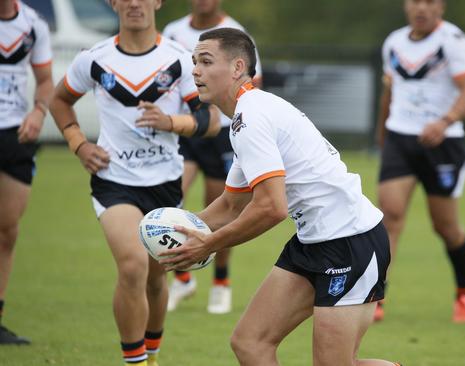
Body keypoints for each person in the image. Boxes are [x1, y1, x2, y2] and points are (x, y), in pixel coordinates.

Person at [160, 28, 400, 366]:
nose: (195, 70)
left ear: (237, 67)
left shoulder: (251, 117)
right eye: (194, 62)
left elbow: (272, 208)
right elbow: (231, 204)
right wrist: (179, 230)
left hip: (351, 241)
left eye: (205, 61)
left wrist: (209, 244)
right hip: (313, 240)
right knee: (250, 343)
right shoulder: (245, 117)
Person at [48, 0, 220, 364]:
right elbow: (60, 100)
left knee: (156, 280)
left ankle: (152, 355)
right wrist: (79, 144)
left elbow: (212, 118)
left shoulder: (177, 59)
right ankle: (136, 362)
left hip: (164, 184)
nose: (134, 3)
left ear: (156, 1)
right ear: (113, 3)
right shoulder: (94, 59)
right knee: (131, 266)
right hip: (114, 181)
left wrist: (171, 122)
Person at [374, 0, 465, 323]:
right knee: (388, 217)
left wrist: (444, 122)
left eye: (430, 2)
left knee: (445, 227)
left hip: (443, 143)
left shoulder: (454, 41)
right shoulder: (393, 42)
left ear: (441, 7)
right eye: (415, 1)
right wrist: (382, 133)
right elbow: (390, 93)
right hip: (400, 140)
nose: (421, 8)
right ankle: (376, 296)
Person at [162, 0, 263, 315]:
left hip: (222, 132)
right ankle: (182, 277)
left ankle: (220, 282)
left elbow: (252, 82)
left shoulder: (234, 32)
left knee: (222, 207)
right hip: (190, 129)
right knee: (172, 197)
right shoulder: (173, 30)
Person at [0, 0, 53, 345]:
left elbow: (46, 80)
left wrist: (38, 111)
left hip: (14, 134)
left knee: (7, 230)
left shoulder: (33, 25)